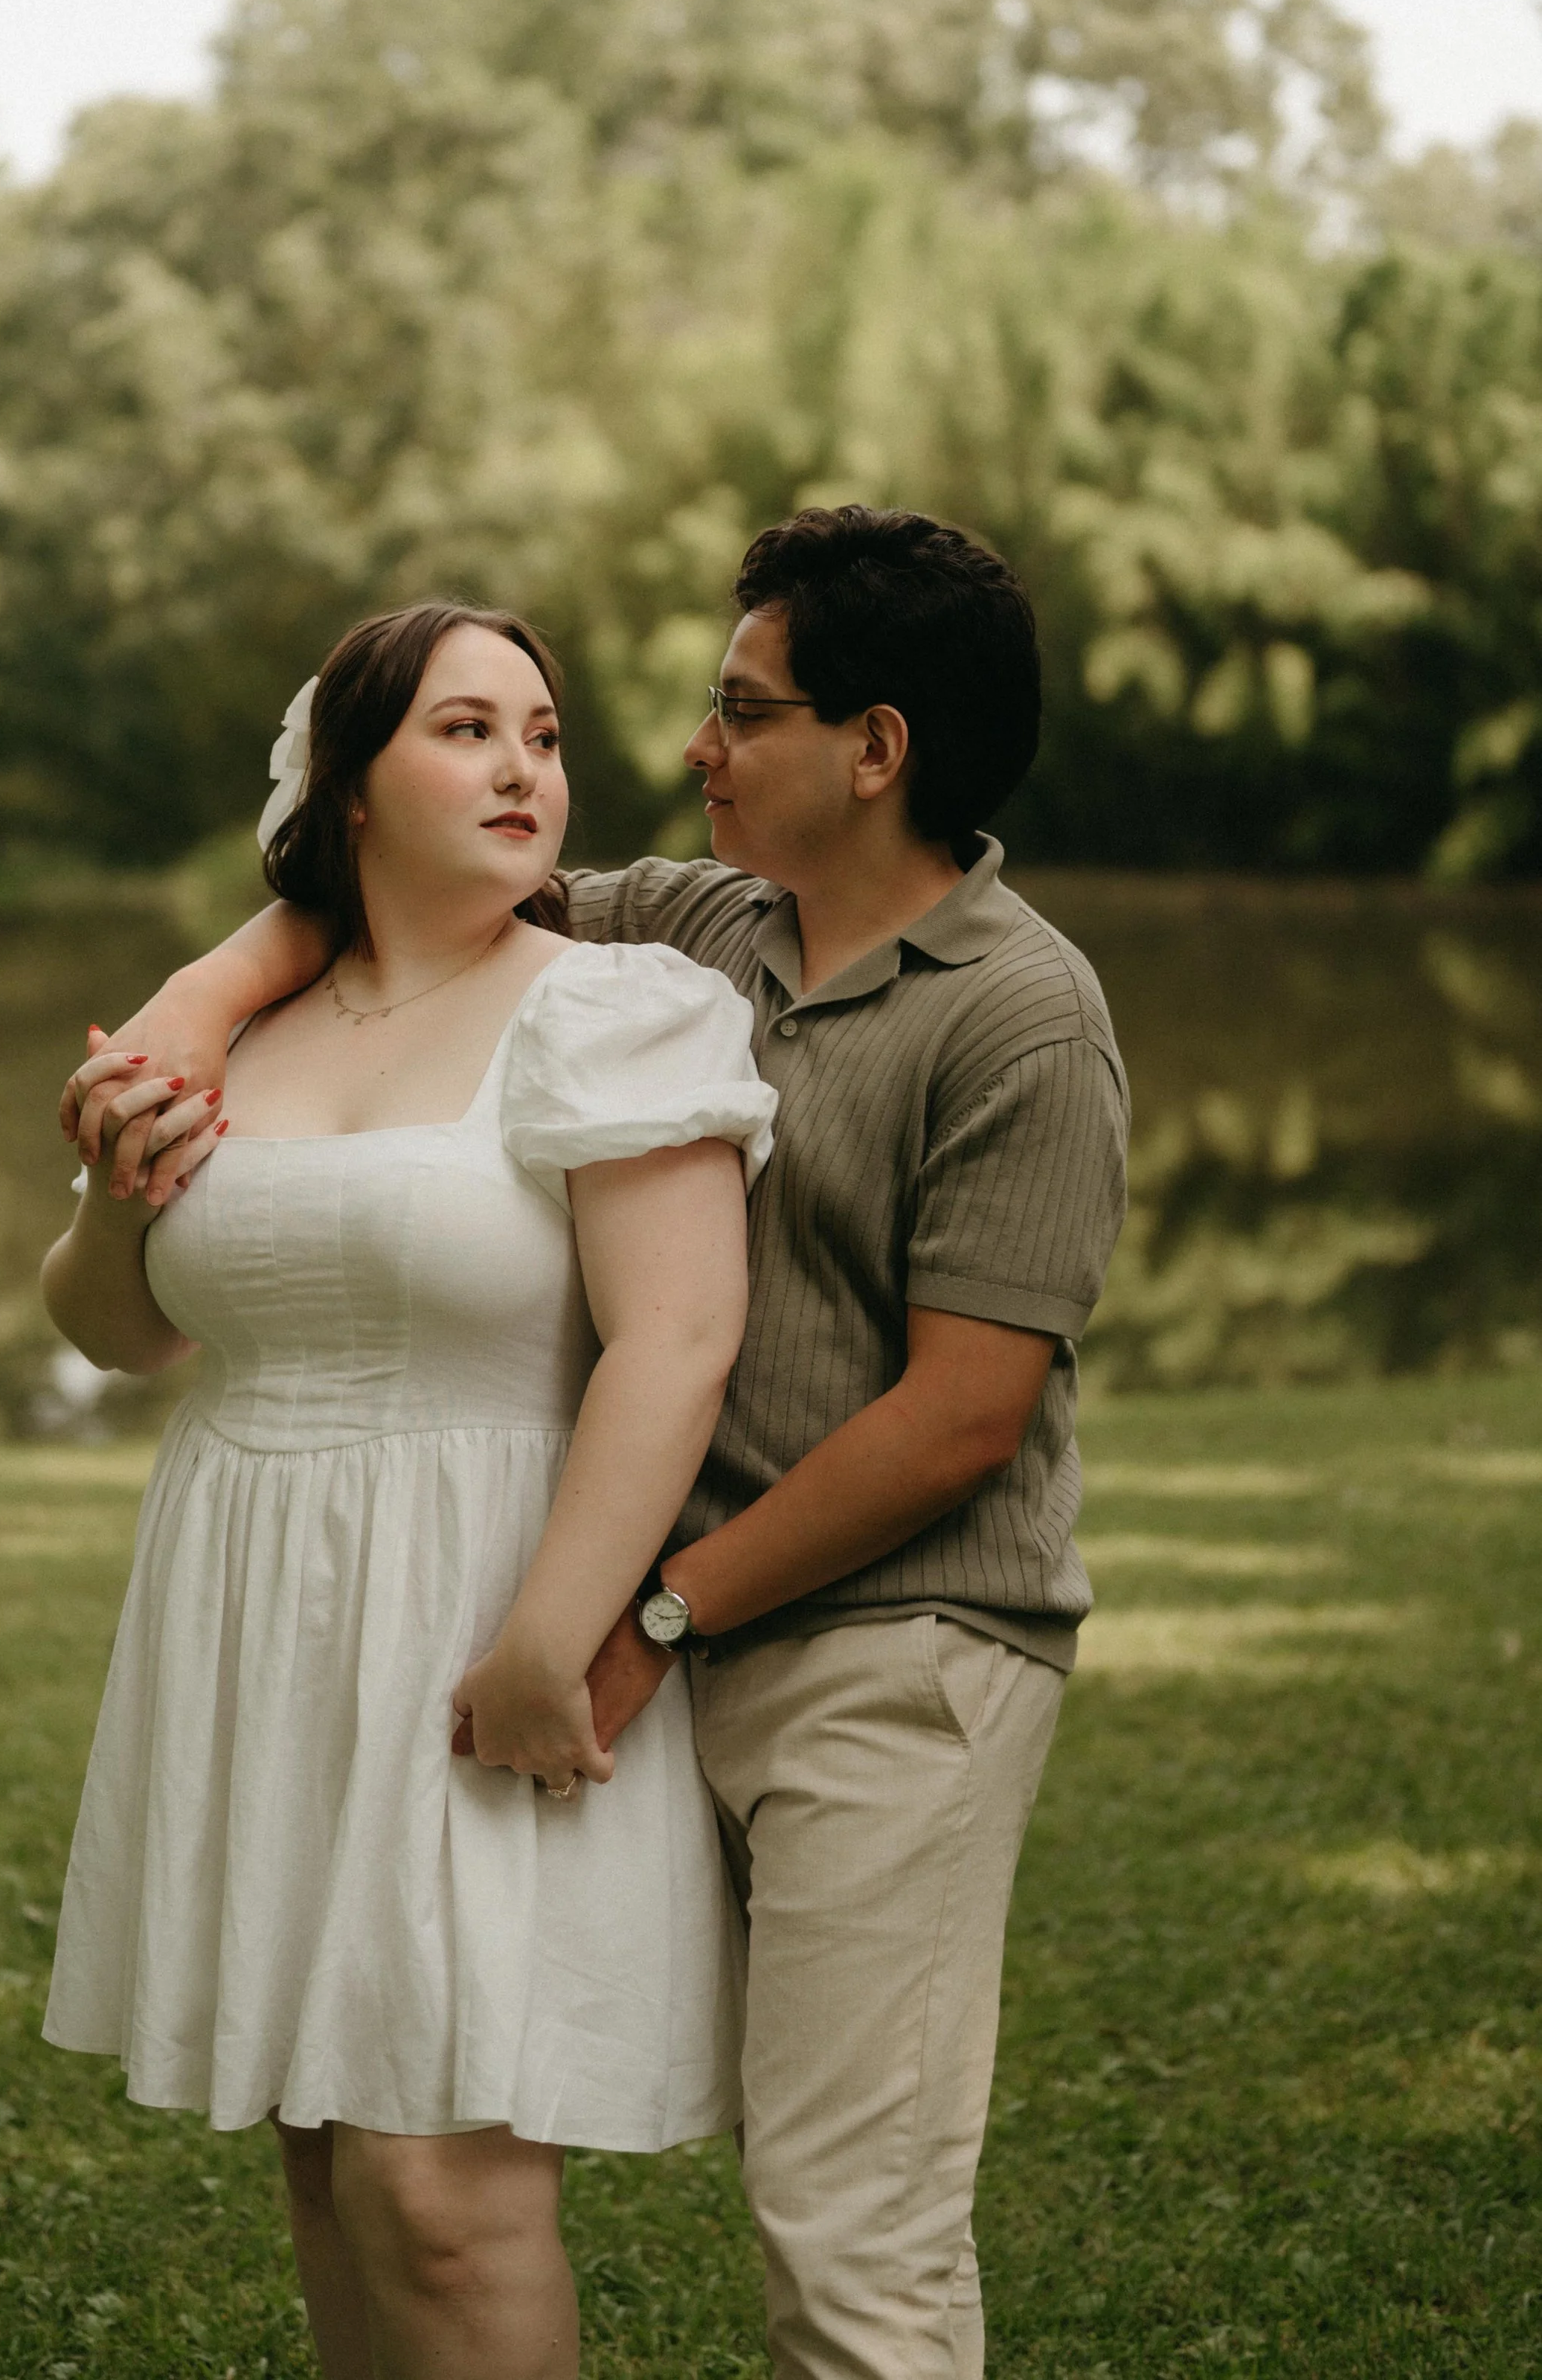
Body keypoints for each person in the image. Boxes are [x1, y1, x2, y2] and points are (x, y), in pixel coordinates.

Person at [72, 508, 1129, 2380]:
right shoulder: (700, 922)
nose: (688, 748)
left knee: (842, 2214)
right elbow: (368, 888)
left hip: (880, 1641)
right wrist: (182, 1024)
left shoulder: (1022, 1016)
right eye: (491, 730)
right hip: (656, 1603)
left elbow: (960, 1415)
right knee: (357, 2148)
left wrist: (637, 1621)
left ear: (872, 749)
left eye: (741, 710)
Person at [40, 600, 776, 2380]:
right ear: (351, 789)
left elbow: (673, 1343)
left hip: (479, 1604)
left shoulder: (612, 1008)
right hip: (257, 1604)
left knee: (440, 2184)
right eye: (464, 730)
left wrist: (550, 1635)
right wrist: (113, 1199)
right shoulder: (249, 1034)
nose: (524, 765)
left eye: (539, 732)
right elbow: (119, 1336)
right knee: (328, 2150)